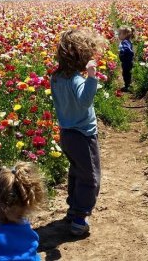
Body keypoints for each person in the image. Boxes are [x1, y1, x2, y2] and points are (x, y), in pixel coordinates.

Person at [51, 28, 105, 236]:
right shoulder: (75, 80)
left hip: (66, 133)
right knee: (90, 177)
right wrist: (91, 77)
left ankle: (73, 210)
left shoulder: (56, 77)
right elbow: (84, 102)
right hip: (83, 134)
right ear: (82, 57)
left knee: (75, 172)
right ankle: (80, 217)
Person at [118, 26, 135, 92]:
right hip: (128, 61)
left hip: (126, 61)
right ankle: (129, 85)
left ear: (125, 35)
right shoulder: (128, 41)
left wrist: (122, 52)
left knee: (126, 73)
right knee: (128, 73)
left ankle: (127, 86)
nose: (118, 35)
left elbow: (127, 49)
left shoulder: (124, 42)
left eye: (120, 34)